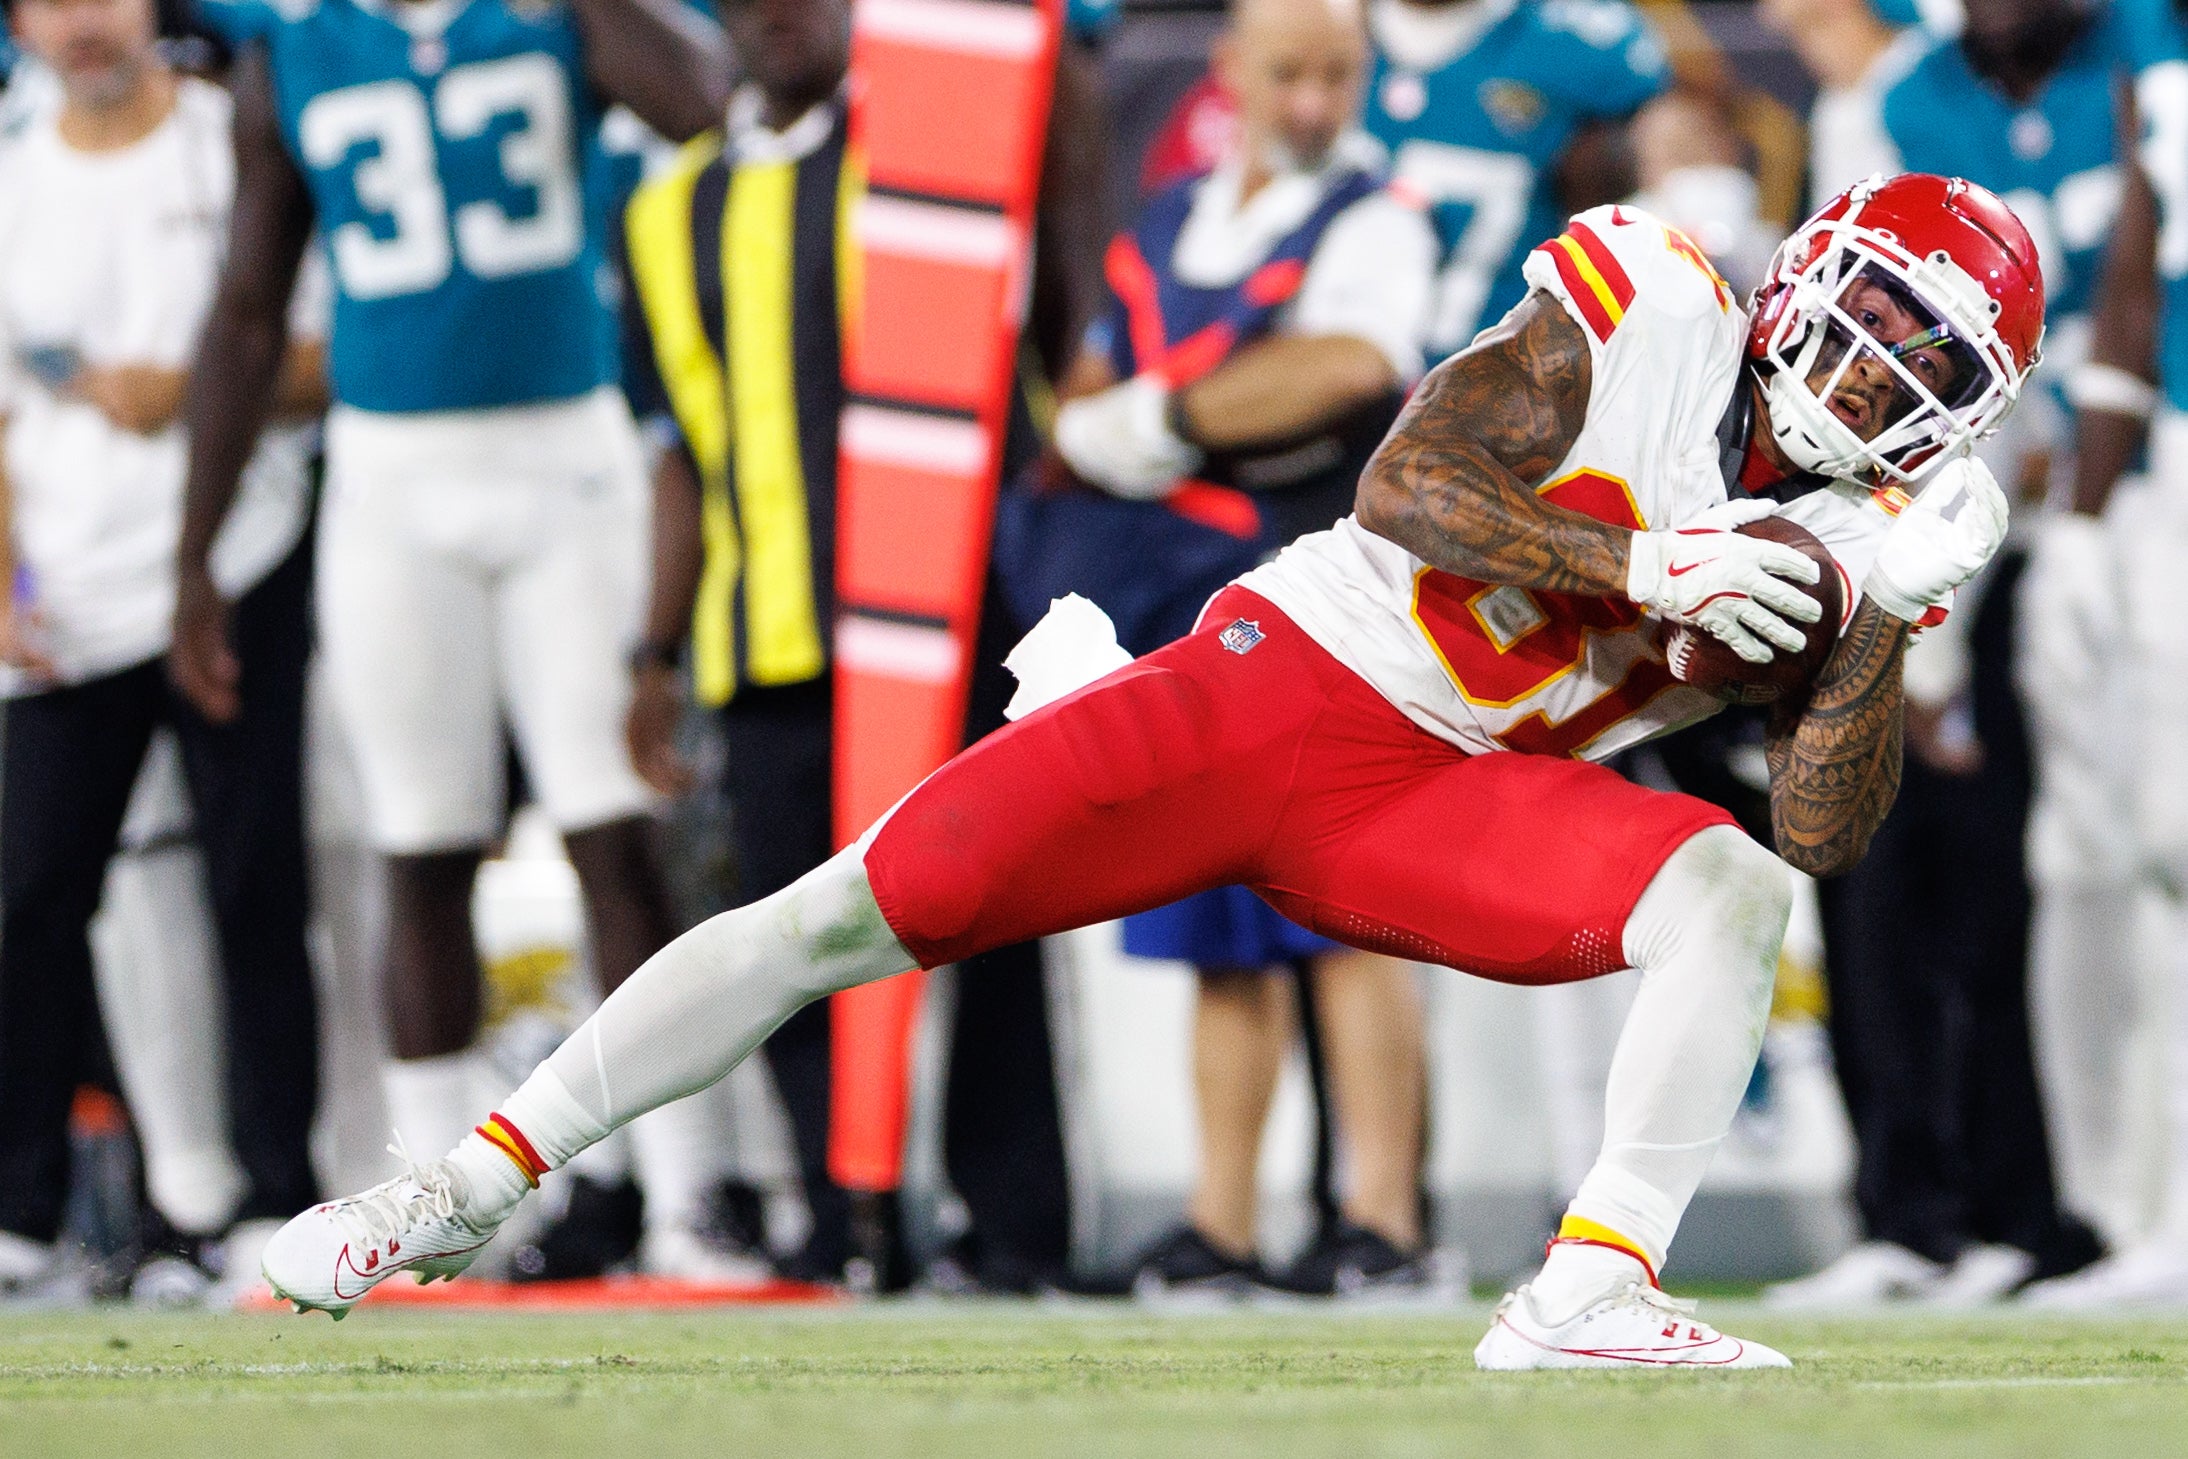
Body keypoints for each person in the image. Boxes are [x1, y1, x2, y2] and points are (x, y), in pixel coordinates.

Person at [260, 161, 2038, 1368]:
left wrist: (1882, 621)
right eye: (1872, 313)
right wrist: (1637, 564)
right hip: (1287, 684)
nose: (1870, 376)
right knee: (844, 913)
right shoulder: (1648, 299)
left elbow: (1818, 828)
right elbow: (1401, 484)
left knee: (1720, 882)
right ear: (1806, 268)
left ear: (1958, 415)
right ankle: (464, 1183)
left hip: (1448, 802)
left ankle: (1589, 1284)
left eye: (1920, 366)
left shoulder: (1865, 544)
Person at [173, 0, 740, 1275]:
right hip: (389, 476)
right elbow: (249, 310)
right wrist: (191, 556)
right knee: (421, 844)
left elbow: (709, 107)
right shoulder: (296, 50)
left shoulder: (559, 19)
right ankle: (437, 1217)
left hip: (568, 456)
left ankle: (688, 1194)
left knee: (615, 836)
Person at [997, 0, 1441, 1300]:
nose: (1314, 103)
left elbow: (1344, 365)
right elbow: (1082, 391)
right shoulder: (1171, 213)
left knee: (1349, 908)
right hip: (1184, 619)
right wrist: (1124, 418)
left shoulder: (1374, 216)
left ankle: (1384, 1218)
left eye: (1338, 76)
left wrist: (1160, 415)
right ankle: (1223, 1219)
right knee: (1215, 917)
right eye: (1291, 73)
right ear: (1233, 71)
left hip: (1319, 605)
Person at [1756, 0, 2119, 1310]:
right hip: (1917, 512)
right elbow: (1865, 345)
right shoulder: (1896, 97)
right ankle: (1912, 1208)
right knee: (1871, 868)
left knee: (2021, 884)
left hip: (2088, 522)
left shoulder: (2142, 60)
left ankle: (2031, 1207)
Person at [0, 0, 326, 1295]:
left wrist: (182, 388)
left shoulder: (228, 137)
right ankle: (24, 1213)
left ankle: (274, 1199)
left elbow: (319, 355)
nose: (84, 22)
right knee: (30, 900)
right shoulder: (13, 172)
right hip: (68, 598)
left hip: (235, 565)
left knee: (258, 888)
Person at [2014, 0, 2188, 1307]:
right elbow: (2141, 259)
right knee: (2122, 849)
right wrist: (2083, 513)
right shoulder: (2145, 30)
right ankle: (2131, 1213)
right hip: (2160, 472)